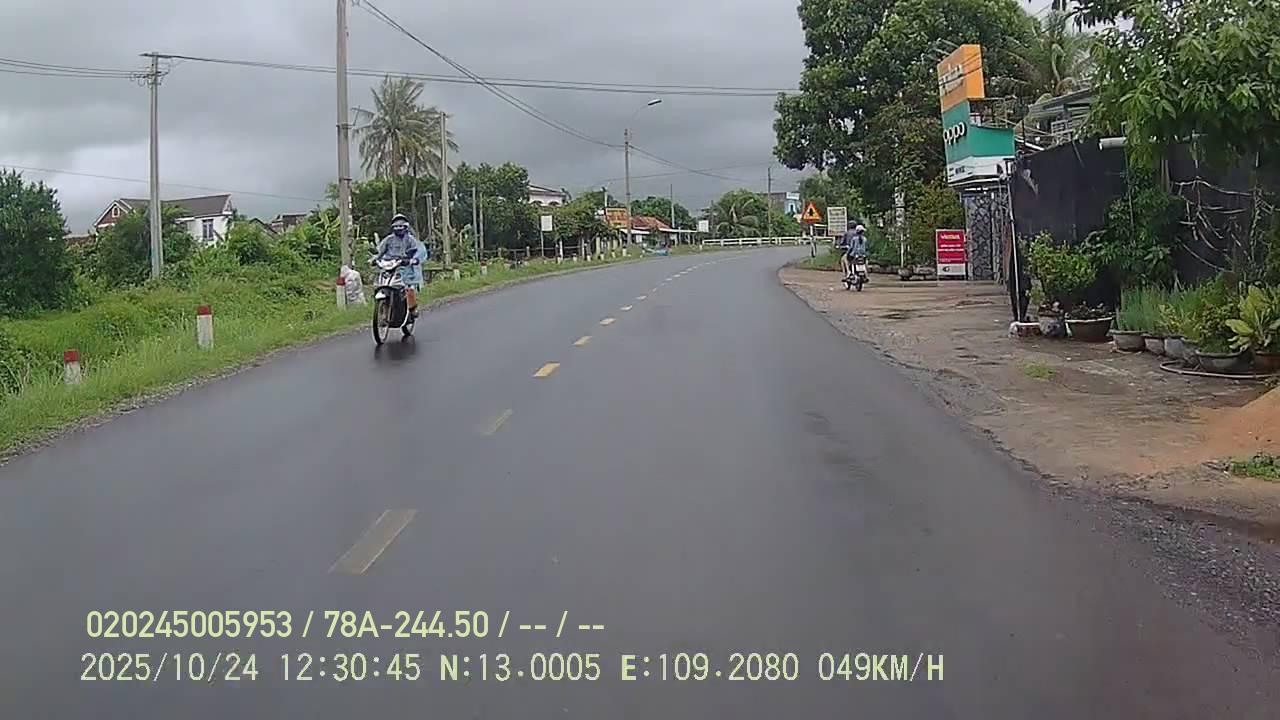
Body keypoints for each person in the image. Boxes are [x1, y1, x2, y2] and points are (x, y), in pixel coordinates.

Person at [373, 213, 428, 317]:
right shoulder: (388, 239)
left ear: (406, 227)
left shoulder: (410, 240)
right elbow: (380, 252)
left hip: (405, 269)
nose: (398, 229)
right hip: (390, 266)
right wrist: (375, 259)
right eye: (396, 226)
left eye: (401, 226)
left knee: (409, 288)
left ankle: (412, 309)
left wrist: (413, 260)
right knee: (379, 284)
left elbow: (419, 251)